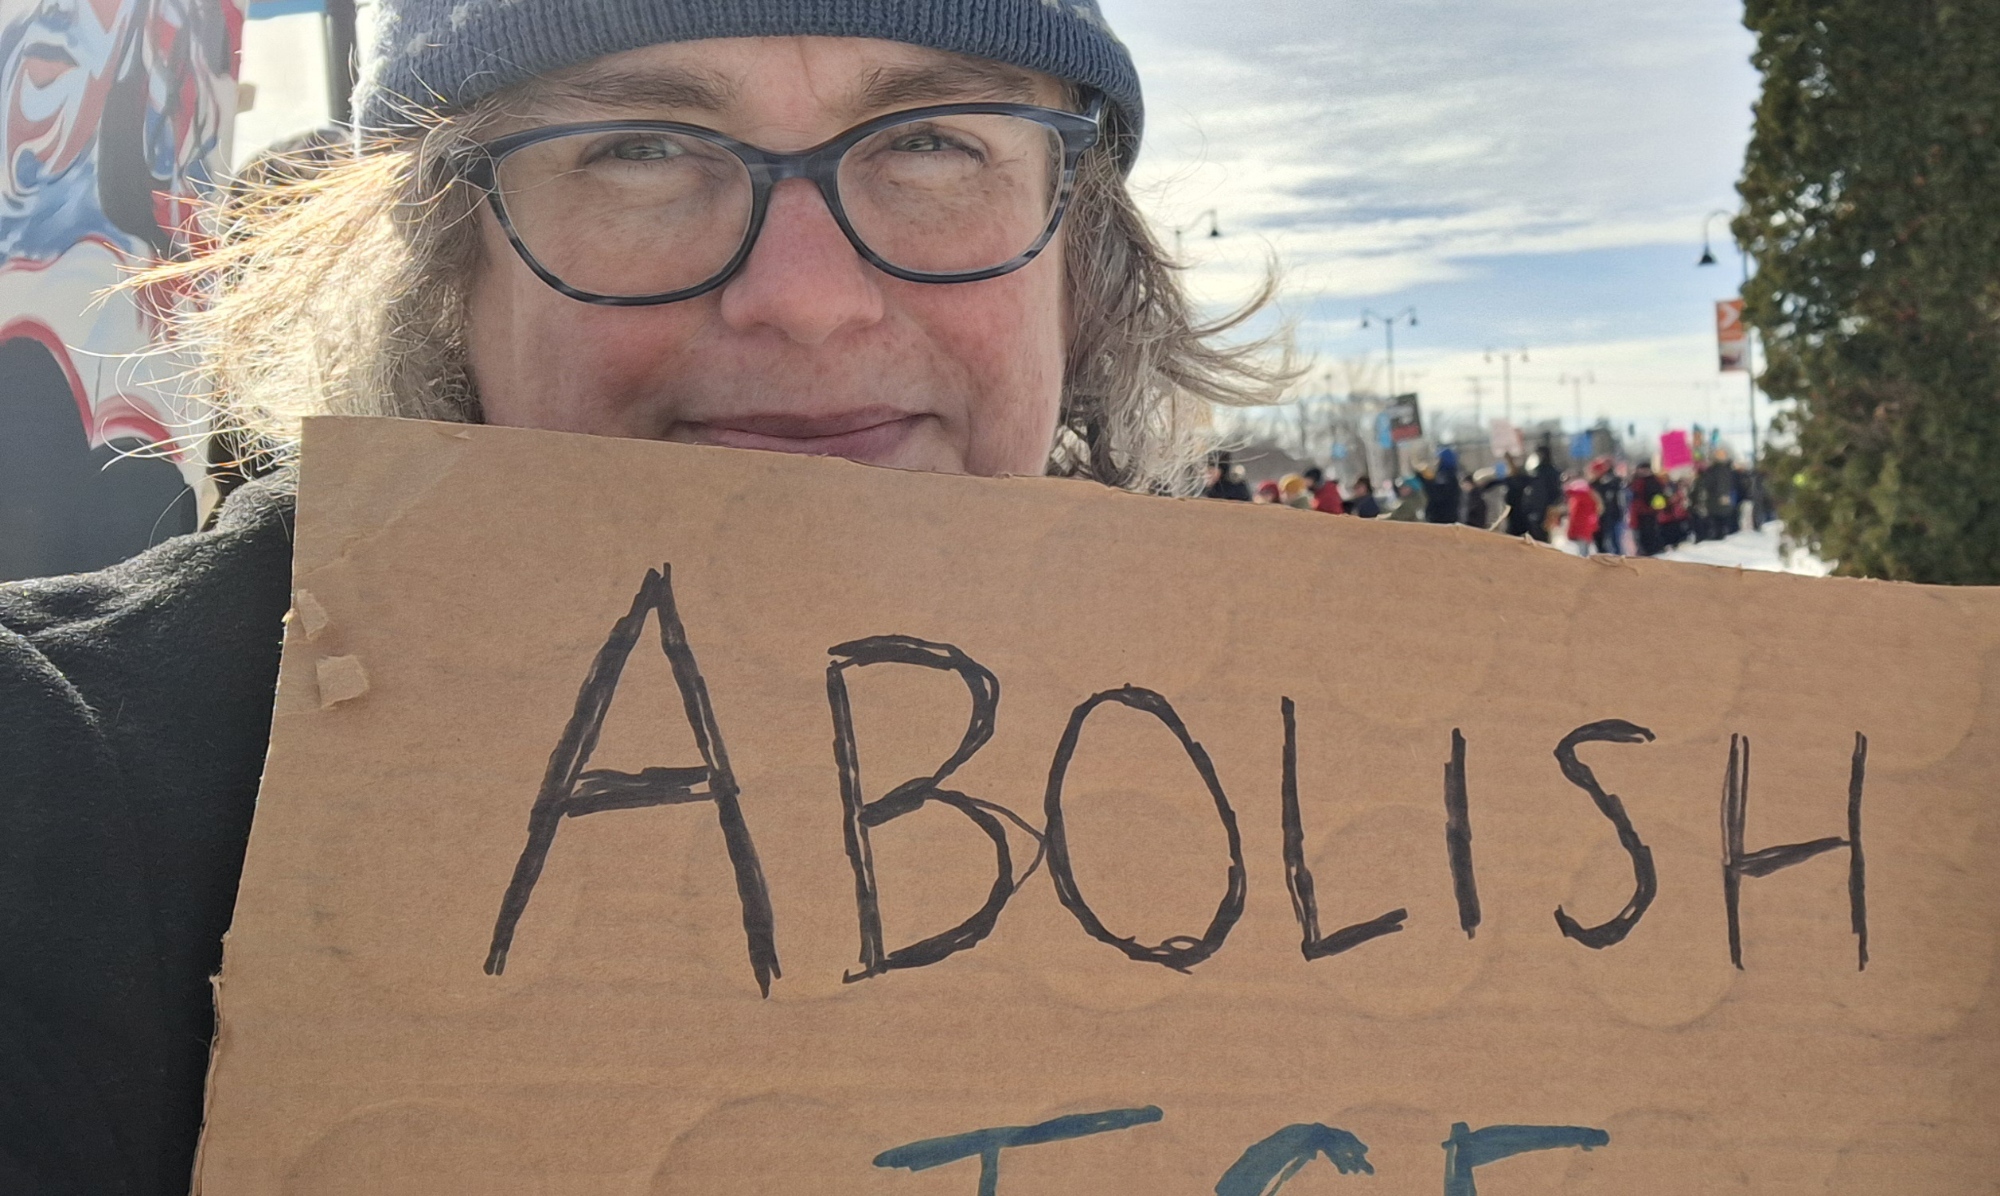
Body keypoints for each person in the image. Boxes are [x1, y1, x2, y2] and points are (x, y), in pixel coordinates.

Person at [0, 5, 1297, 1192]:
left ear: (1080, 257)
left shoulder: (1311, 770)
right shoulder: (62, 784)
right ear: (446, 267)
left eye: (933, 142)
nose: (805, 300)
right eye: (637, 149)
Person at [1629, 458, 1667, 556]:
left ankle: (1651, 550)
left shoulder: (1653, 481)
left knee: (1649, 532)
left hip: (1648, 511)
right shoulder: (1635, 480)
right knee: (1641, 533)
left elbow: (1657, 496)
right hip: (1638, 512)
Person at [1589, 458, 1625, 555]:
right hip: (1598, 518)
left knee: (1613, 541)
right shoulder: (1593, 485)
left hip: (1611, 516)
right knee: (1600, 542)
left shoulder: (1611, 482)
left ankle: (1616, 559)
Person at [1564, 471, 1602, 557]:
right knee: (1585, 549)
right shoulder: (1590, 493)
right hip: (1587, 524)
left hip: (1580, 525)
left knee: (1581, 551)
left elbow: (1569, 492)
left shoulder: (1578, 493)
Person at [1422, 447, 1462, 524]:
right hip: (1450, 516)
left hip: (1441, 517)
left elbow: (1437, 495)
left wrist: (1427, 481)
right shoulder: (1452, 474)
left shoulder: (1444, 476)